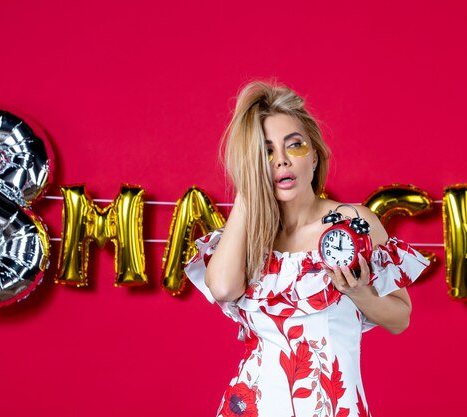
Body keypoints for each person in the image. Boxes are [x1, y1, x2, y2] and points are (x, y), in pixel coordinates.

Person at [184, 81, 430, 417]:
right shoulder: (249, 236)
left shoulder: (353, 223)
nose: (282, 161)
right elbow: (224, 288)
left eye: (294, 146)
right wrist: (247, 190)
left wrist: (359, 293)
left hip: (333, 407)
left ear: (314, 156)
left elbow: (401, 318)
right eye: (266, 152)